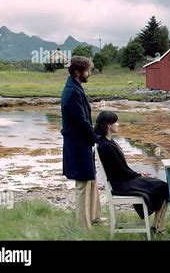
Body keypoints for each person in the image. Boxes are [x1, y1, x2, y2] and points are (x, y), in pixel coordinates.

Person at [94, 111, 170, 234]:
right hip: (122, 184)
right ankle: (158, 227)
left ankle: (156, 225)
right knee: (164, 186)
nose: (118, 124)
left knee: (163, 186)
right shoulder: (106, 146)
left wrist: (138, 174)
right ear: (109, 126)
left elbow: (121, 168)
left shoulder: (108, 142)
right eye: (116, 122)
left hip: (124, 180)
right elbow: (120, 171)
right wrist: (138, 175)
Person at [61, 56, 103, 230]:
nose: (89, 74)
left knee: (91, 178)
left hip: (82, 142)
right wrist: (97, 138)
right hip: (77, 144)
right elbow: (81, 122)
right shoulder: (72, 92)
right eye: (88, 71)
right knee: (83, 184)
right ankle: (83, 226)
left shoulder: (75, 87)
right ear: (78, 72)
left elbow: (84, 121)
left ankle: (94, 216)